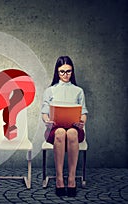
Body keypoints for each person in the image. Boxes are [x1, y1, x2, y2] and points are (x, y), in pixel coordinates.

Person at [41, 56, 88, 197]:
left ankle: (72, 178)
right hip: (55, 130)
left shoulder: (78, 91)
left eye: (68, 71)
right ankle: (60, 178)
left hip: (74, 128)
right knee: (61, 132)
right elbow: (44, 112)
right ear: (57, 72)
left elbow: (84, 112)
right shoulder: (50, 90)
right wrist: (47, 120)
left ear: (72, 72)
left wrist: (82, 122)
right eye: (62, 72)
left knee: (72, 133)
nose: (65, 75)